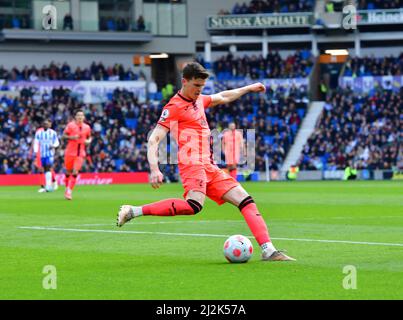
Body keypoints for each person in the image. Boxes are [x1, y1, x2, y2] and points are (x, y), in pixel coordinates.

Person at [117, 62, 295, 262]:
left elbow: (223, 96)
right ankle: (133, 211)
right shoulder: (173, 107)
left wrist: (248, 88)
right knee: (194, 206)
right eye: (196, 86)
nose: (199, 90)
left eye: (202, 86)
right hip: (191, 163)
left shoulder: (199, 100)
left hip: (209, 165)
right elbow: (154, 139)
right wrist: (154, 169)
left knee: (246, 201)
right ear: (184, 82)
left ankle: (269, 250)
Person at [62, 110, 92, 200]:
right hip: (69, 152)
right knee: (68, 171)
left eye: (81, 115)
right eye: (78, 115)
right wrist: (72, 137)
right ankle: (67, 188)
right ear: (75, 117)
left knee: (75, 172)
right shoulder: (70, 125)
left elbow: (89, 137)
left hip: (80, 153)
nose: (80, 117)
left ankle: (69, 191)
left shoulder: (87, 127)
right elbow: (63, 136)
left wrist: (88, 141)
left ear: (84, 117)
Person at [33, 119, 60, 192]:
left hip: (50, 154)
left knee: (48, 167)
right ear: (42, 125)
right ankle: (49, 184)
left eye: (47, 124)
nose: (45, 125)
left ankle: (48, 186)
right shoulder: (39, 133)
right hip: (42, 154)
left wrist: (53, 146)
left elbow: (57, 142)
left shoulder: (53, 133)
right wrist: (35, 152)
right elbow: (36, 142)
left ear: (49, 125)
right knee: (44, 169)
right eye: (44, 124)